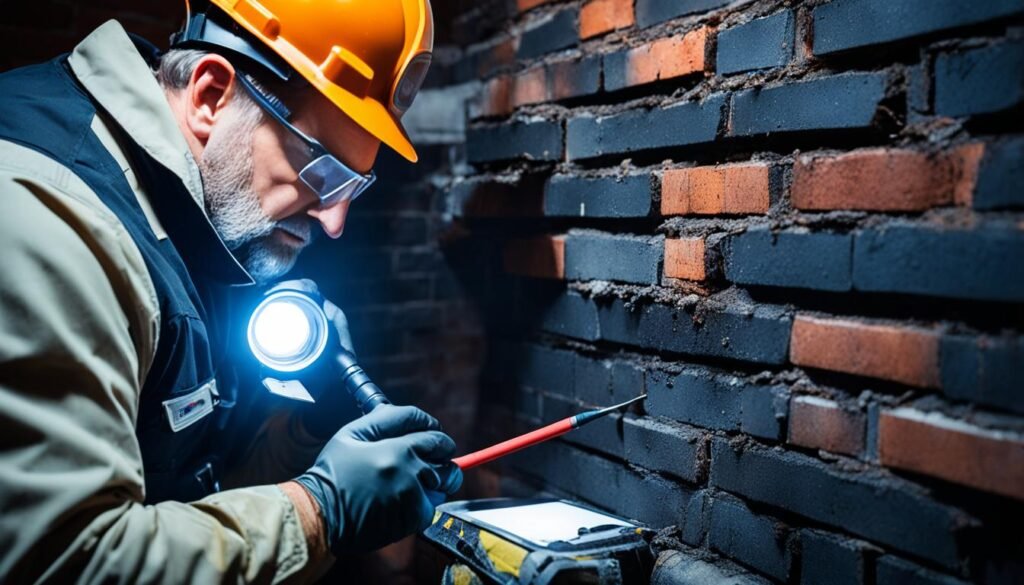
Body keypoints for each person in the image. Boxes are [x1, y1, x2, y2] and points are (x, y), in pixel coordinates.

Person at [0, 0, 460, 582]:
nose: (334, 220)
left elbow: (189, 499)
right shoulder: (48, 216)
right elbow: (71, 560)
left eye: (354, 186)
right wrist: (320, 511)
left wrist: (310, 434)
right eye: (323, 172)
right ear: (210, 96)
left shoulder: (190, 211)